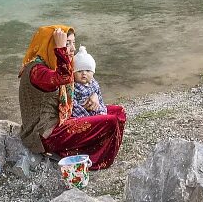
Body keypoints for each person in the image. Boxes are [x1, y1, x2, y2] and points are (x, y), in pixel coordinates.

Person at [17, 25, 126, 170]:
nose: (72, 49)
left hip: (64, 117)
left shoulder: (53, 63)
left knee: (118, 112)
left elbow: (79, 81)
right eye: (67, 43)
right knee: (110, 122)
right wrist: (61, 49)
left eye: (73, 43)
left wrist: (93, 95)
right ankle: (92, 161)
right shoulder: (38, 71)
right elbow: (65, 77)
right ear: (51, 45)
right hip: (45, 133)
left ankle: (83, 152)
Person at [71, 45, 107, 118]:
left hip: (95, 109)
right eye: (79, 71)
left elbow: (99, 99)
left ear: (93, 73)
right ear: (73, 73)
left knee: (104, 115)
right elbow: (73, 105)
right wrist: (85, 114)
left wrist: (102, 110)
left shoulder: (94, 84)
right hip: (81, 114)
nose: (84, 73)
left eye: (87, 70)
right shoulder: (73, 87)